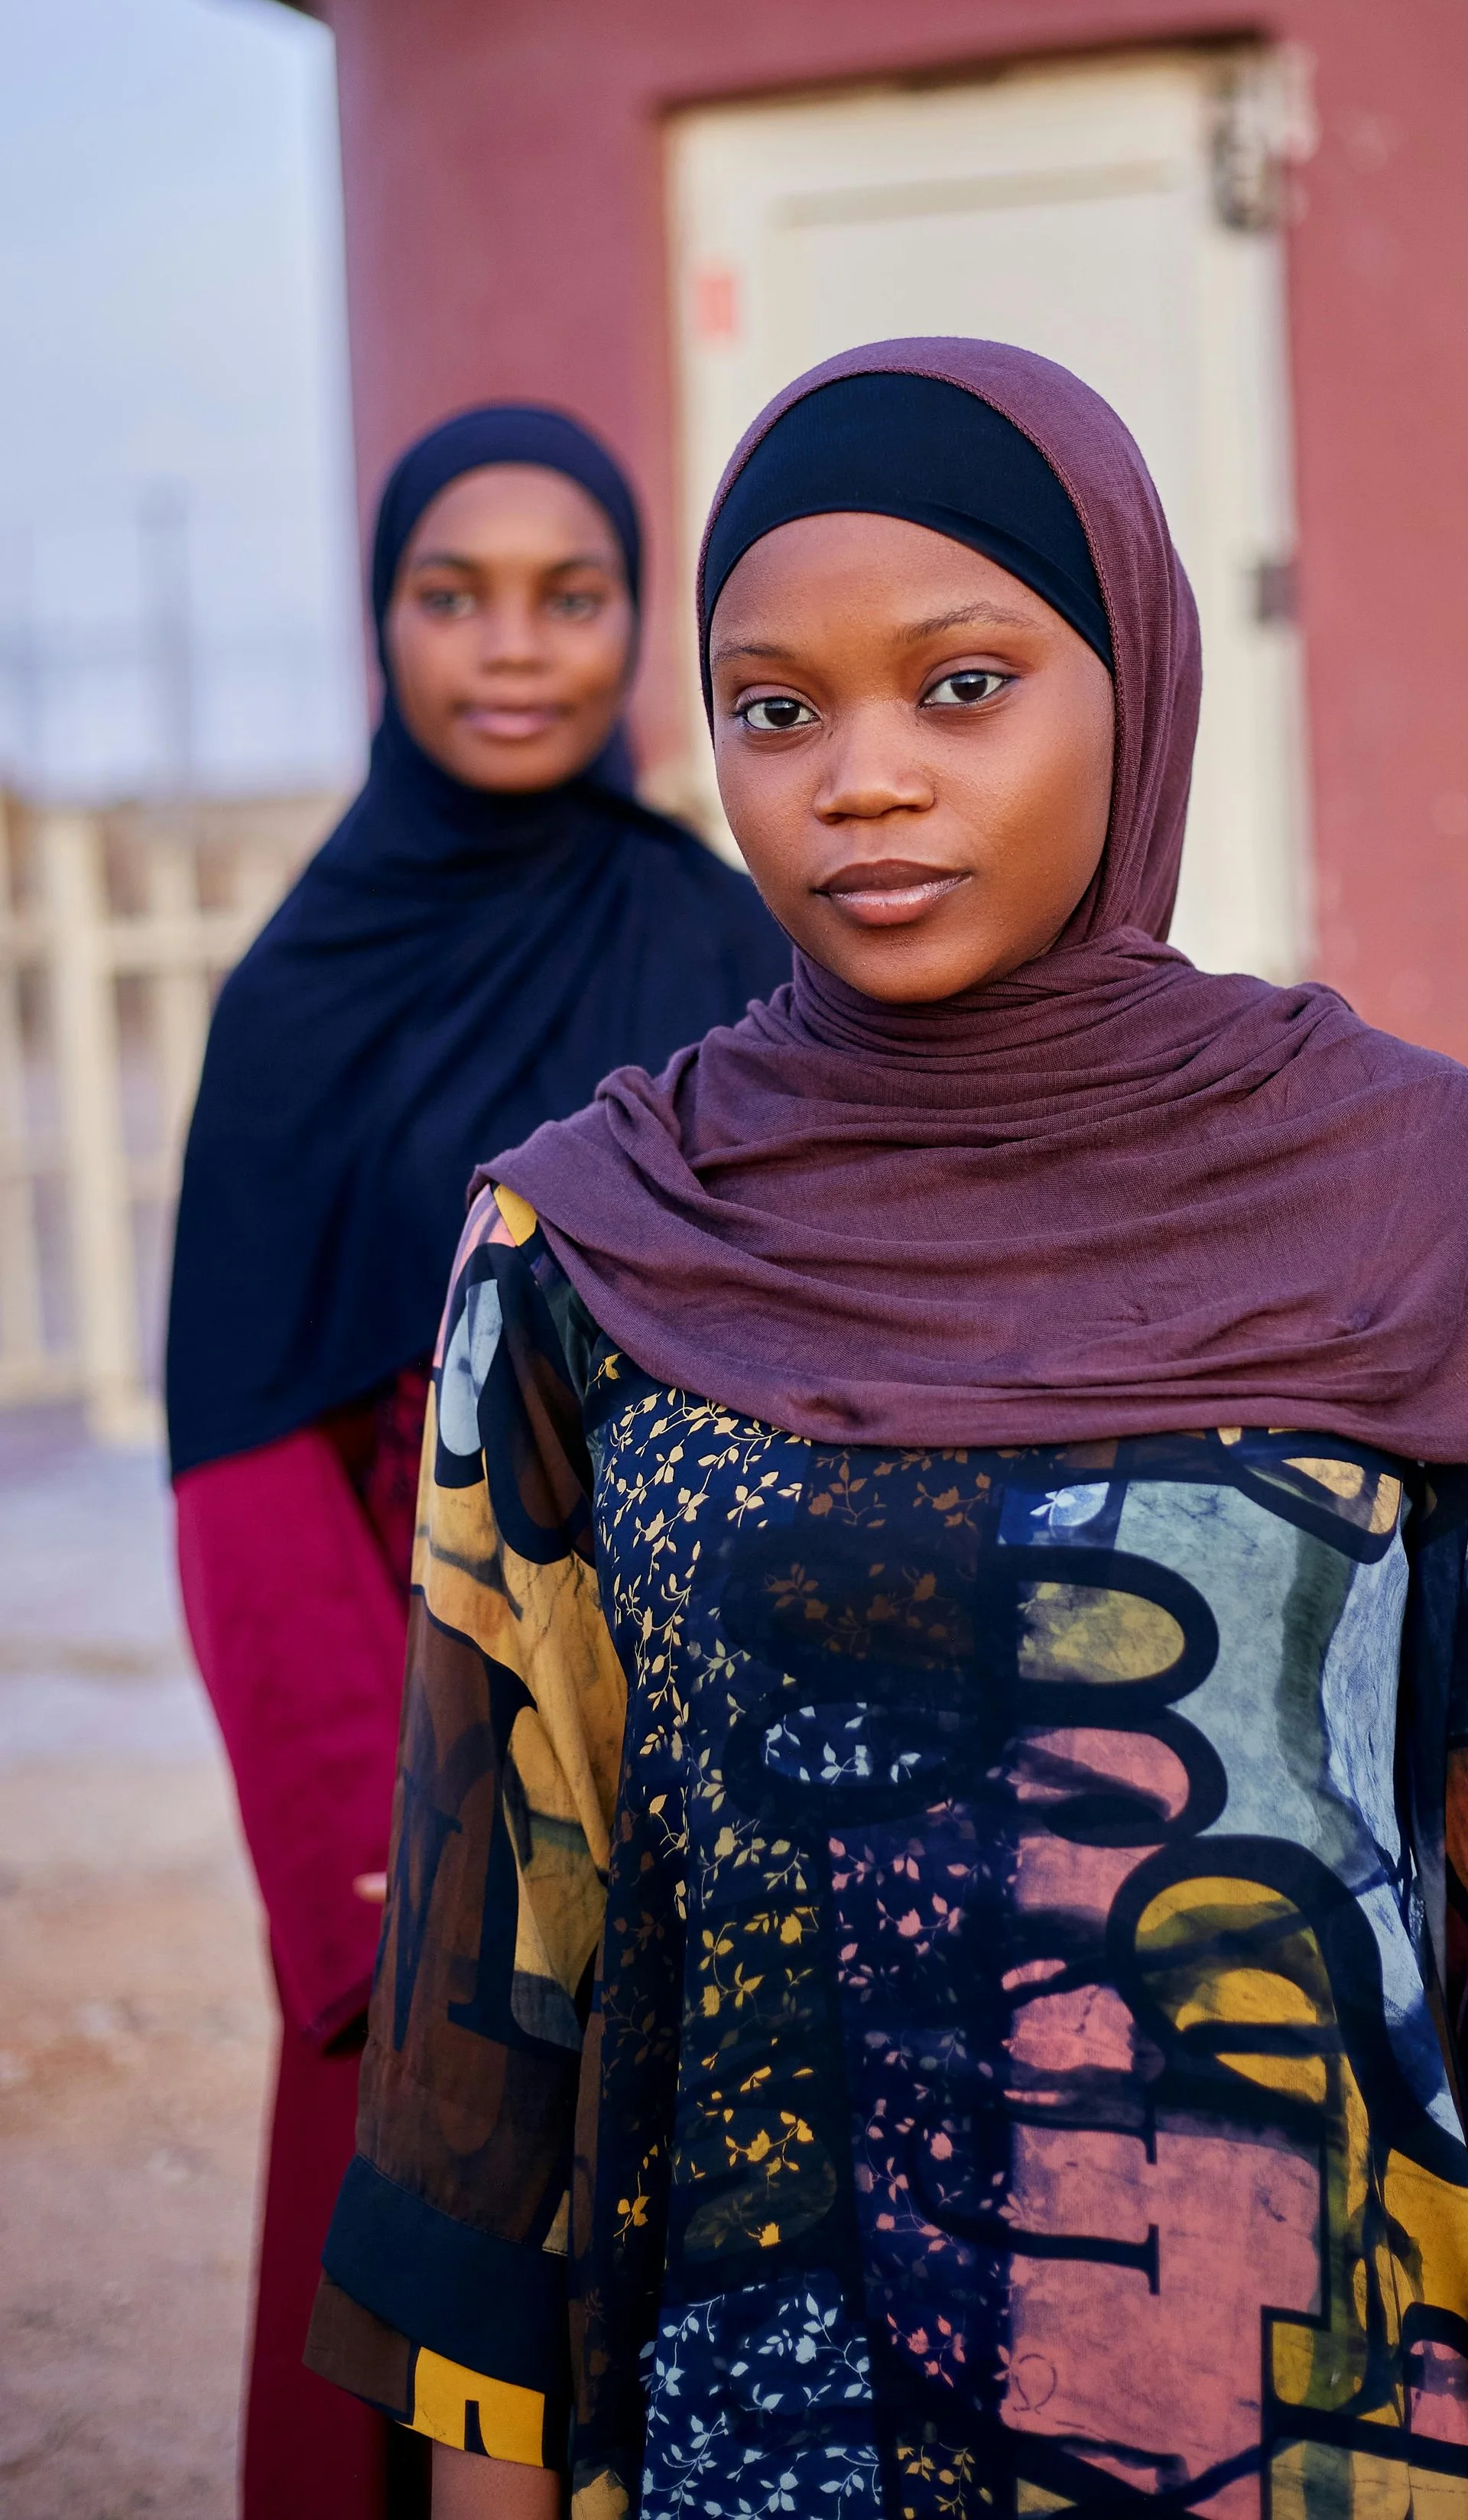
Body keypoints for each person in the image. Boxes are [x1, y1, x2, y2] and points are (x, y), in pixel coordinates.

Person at [307, 343, 1468, 2520]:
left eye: (964, 686)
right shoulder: (594, 1241)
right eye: (773, 708)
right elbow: (488, 2004)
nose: (862, 780)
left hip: (1312, 2438)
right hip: (769, 2438)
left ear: (1137, 685)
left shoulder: (1404, 1203)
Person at [166, 403, 790, 2520]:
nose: (512, 647)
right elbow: (243, 1455)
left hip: (703, 1723)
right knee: (437, 2301)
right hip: (424, 1747)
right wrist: (393, 1853)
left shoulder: (731, 946)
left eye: (570, 596)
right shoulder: (299, 994)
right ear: (383, 622)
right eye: (455, 595)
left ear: (638, 625)